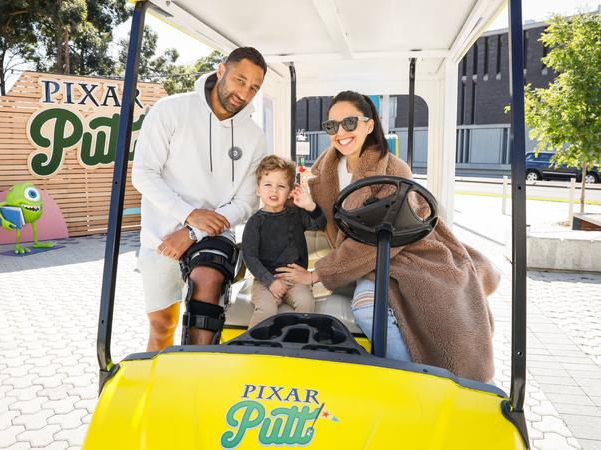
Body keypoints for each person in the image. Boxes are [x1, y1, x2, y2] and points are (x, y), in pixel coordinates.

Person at [275, 91, 500, 383]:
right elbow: (326, 220)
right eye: (332, 126)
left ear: (369, 125)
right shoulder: (324, 168)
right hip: (364, 259)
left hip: (408, 254)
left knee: (371, 309)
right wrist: (303, 205)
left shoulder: (394, 169)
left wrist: (316, 274)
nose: (340, 133)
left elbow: (382, 239)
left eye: (350, 123)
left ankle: (414, 381)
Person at [132, 47, 268, 350]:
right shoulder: (170, 110)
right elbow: (143, 174)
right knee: (161, 327)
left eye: (253, 88)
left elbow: (247, 202)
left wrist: (194, 231)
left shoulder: (254, 136)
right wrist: (188, 215)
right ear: (221, 71)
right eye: (239, 80)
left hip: (215, 233)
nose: (244, 93)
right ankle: (161, 388)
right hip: (161, 236)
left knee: (206, 289)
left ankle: (196, 370)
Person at [242, 155, 327, 328]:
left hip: (295, 279)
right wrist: (270, 281)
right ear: (258, 189)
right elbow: (250, 257)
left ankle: (296, 342)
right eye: (268, 185)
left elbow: (320, 224)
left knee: (306, 303)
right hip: (265, 281)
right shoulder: (255, 222)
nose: (274, 191)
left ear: (290, 191)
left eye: (281, 186)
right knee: (266, 310)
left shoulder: (296, 214)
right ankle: (254, 346)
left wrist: (310, 206)